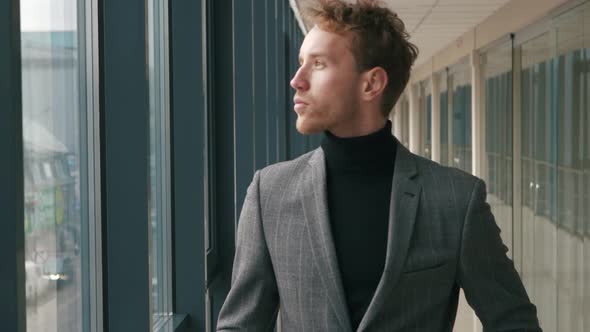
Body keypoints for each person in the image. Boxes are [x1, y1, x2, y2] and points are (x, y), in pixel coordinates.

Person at [216, 0, 541, 331]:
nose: (296, 80)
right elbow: (241, 326)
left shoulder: (457, 199)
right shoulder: (269, 193)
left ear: (371, 84)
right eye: (301, 63)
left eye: (318, 64)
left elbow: (513, 320)